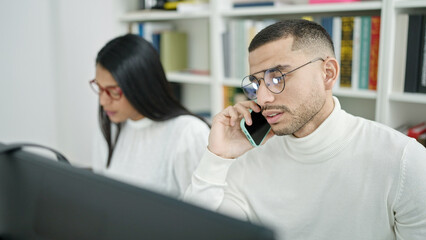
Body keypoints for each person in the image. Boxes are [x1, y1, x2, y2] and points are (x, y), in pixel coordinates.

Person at [184, 19, 426, 240]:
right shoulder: (249, 155)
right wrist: (218, 157)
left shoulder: (404, 160)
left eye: (277, 77)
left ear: (328, 74)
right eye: (256, 83)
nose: (263, 97)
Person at [90, 34, 210, 199]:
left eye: (113, 91)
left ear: (140, 86)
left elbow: (203, 211)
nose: (103, 101)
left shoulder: (188, 133)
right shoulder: (109, 126)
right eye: (100, 87)